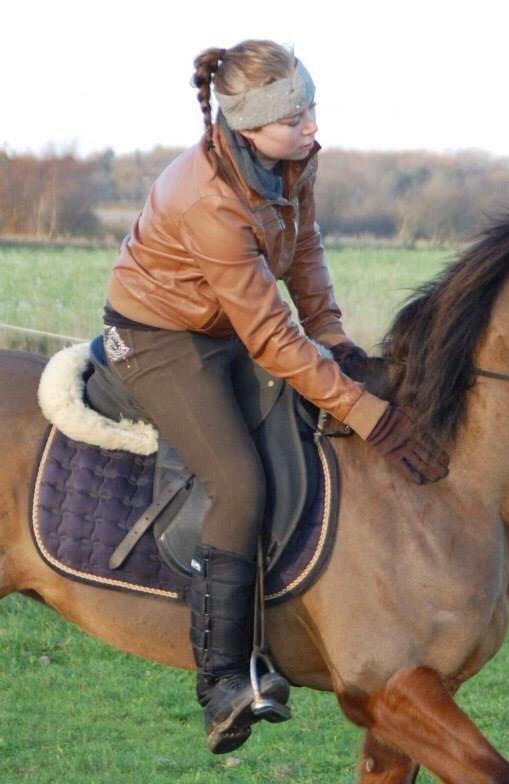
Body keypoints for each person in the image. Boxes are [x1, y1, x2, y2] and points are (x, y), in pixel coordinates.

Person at [100, 40, 448, 754]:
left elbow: (305, 254)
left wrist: (341, 345)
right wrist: (365, 410)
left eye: (312, 107)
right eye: (296, 118)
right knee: (237, 480)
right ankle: (225, 681)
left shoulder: (292, 158)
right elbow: (270, 339)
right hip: (159, 336)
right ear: (249, 125)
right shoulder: (205, 198)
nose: (313, 127)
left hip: (226, 322)